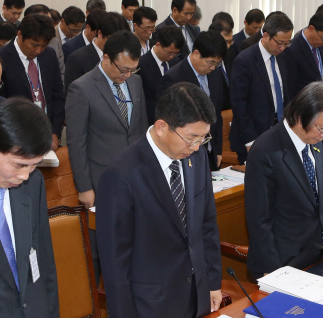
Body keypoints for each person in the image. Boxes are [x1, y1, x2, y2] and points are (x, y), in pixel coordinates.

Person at [97, 82, 222, 318]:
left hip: (197, 295)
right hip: (150, 305)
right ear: (162, 127)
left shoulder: (197, 158)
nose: (196, 147)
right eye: (191, 138)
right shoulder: (121, 175)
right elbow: (115, 260)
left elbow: (207, 223)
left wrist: (213, 281)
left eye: (203, 139)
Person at [0, 97, 59, 317]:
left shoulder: (33, 184)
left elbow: (44, 263)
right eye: (19, 165)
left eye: (34, 165)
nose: (24, 176)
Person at [66, 30, 147, 282]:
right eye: (123, 69)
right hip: (101, 179)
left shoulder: (135, 82)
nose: (127, 75)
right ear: (106, 58)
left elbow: (141, 128)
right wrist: (84, 186)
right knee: (103, 249)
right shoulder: (82, 88)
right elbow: (76, 141)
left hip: (135, 177)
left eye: (133, 69)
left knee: (133, 244)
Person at [246, 82, 323, 278]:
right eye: (322, 128)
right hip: (282, 262)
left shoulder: (315, 140)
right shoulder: (265, 151)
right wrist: (270, 270)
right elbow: (259, 219)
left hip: (318, 255)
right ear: (299, 117)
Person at [230, 13, 293, 164]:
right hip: (253, 136)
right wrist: (250, 140)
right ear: (266, 36)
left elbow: (286, 95)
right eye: (280, 43)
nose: (283, 48)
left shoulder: (284, 57)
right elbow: (239, 104)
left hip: (279, 132)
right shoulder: (245, 60)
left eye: (287, 43)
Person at [160, 31, 227, 170]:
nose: (213, 67)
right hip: (185, 151)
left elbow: (217, 114)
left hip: (209, 149)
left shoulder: (215, 73)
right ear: (196, 54)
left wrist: (218, 149)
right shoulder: (173, 77)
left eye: (217, 63)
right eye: (211, 62)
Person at [0, 13, 64, 151]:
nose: (38, 50)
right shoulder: (1, 58)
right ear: (20, 35)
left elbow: (57, 95)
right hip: (17, 135)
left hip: (47, 132)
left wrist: (55, 132)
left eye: (43, 46)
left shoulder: (49, 54)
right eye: (34, 45)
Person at [64, 11, 129, 95]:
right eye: (113, 40)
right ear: (100, 34)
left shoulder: (125, 56)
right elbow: (73, 96)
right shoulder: (77, 59)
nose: (118, 45)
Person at [285, 10, 323, 100]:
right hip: (303, 106)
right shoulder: (292, 49)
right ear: (311, 29)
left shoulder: (321, 45)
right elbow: (290, 87)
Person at [138, 26, 183, 124]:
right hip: (151, 120)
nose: (171, 57)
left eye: (175, 53)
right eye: (169, 53)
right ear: (158, 45)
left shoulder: (177, 62)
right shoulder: (141, 64)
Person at [23, 5, 65, 83]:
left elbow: (61, 73)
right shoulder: (6, 52)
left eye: (49, 21)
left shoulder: (54, 43)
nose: (48, 25)